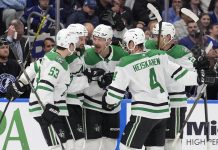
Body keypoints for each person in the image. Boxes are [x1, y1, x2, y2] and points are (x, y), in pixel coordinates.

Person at [103, 28, 199, 150]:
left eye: (126, 43)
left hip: (143, 113)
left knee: (126, 147)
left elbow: (113, 97)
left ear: (132, 44)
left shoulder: (125, 63)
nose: (125, 47)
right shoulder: (160, 55)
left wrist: (108, 100)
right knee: (155, 148)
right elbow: (181, 74)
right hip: (163, 112)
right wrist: (200, 77)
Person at [6, 28, 80, 150]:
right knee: (59, 146)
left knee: (67, 145)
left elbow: (32, 68)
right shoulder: (58, 62)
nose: (75, 47)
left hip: (53, 107)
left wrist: (19, 84)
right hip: (46, 107)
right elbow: (46, 84)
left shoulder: (51, 56)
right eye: (74, 44)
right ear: (69, 44)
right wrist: (48, 107)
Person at [145, 22, 197, 150]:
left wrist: (203, 67)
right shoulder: (148, 46)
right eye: (154, 35)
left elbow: (195, 75)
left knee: (172, 140)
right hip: (153, 101)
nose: (154, 38)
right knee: (151, 141)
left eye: (158, 35)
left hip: (175, 101)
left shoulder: (182, 52)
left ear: (168, 37)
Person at [82, 24, 128, 150]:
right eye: (94, 38)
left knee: (110, 144)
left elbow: (130, 76)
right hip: (92, 106)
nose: (96, 42)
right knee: (92, 144)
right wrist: (99, 84)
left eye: (100, 40)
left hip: (113, 107)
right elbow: (84, 87)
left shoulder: (121, 54)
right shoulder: (86, 55)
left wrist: (116, 79)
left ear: (109, 41)